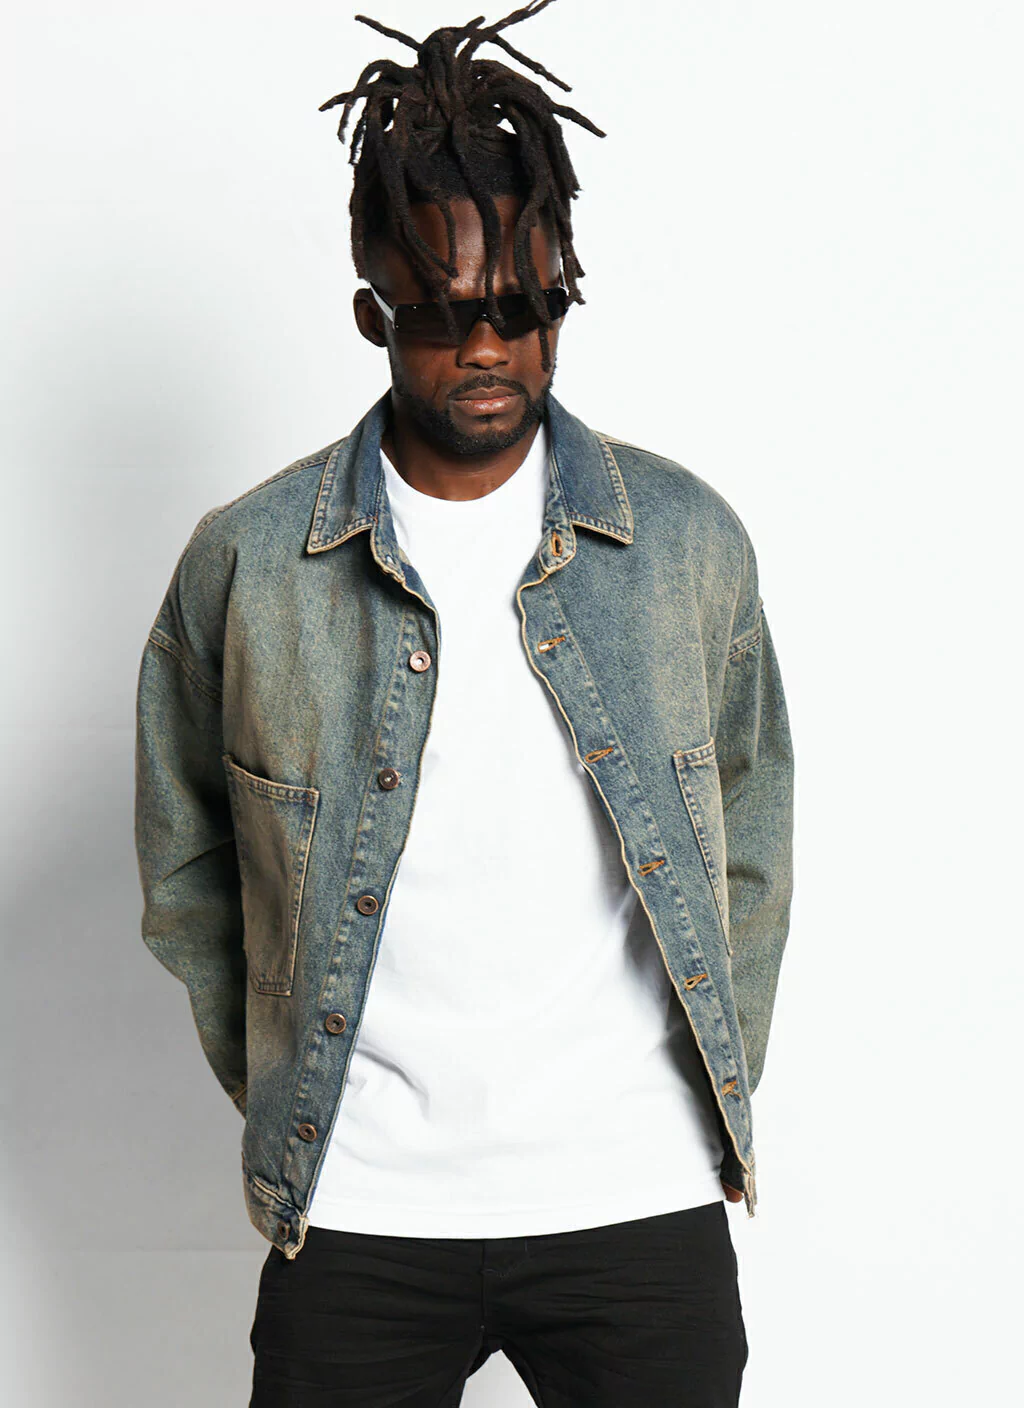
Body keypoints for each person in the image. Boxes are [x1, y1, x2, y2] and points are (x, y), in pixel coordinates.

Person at [133, 4, 794, 1404]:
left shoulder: (683, 543)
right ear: (373, 311)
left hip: (635, 1195)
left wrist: (700, 1082)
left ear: (563, 294)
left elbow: (749, 839)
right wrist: (298, 1084)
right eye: (441, 314)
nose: (488, 345)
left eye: (527, 306)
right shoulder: (250, 564)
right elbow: (188, 876)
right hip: (360, 1208)